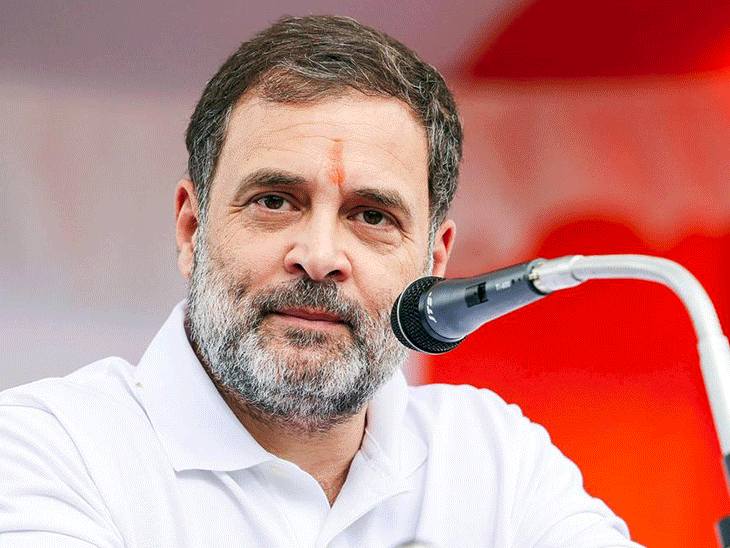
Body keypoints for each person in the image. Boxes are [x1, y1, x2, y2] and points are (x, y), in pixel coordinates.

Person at [0, 15, 644, 548]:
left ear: (434, 261)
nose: (320, 256)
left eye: (372, 216)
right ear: (192, 229)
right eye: (275, 201)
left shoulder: (495, 458)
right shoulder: (46, 450)